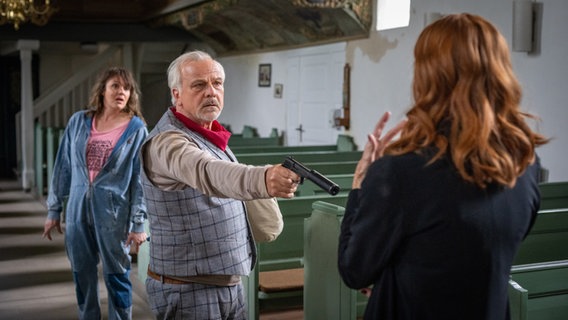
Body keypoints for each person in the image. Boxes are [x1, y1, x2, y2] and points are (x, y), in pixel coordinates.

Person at [338, 13, 549, 320]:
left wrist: (360, 184)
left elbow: (354, 271)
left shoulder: (400, 172)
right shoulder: (525, 164)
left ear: (428, 76)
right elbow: (476, 249)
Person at [140, 50, 300, 320]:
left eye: (217, 83)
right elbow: (208, 172)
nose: (211, 92)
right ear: (176, 94)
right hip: (189, 290)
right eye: (199, 85)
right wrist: (262, 178)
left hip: (227, 284)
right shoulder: (167, 142)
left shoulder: (208, 134)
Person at [42, 67, 148, 320]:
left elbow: (140, 180)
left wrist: (138, 222)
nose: (121, 91)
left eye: (126, 87)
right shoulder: (78, 121)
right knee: (82, 274)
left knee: (117, 275)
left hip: (114, 214)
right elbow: (63, 167)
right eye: (115, 86)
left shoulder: (137, 129)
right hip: (78, 212)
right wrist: (53, 210)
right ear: (102, 90)